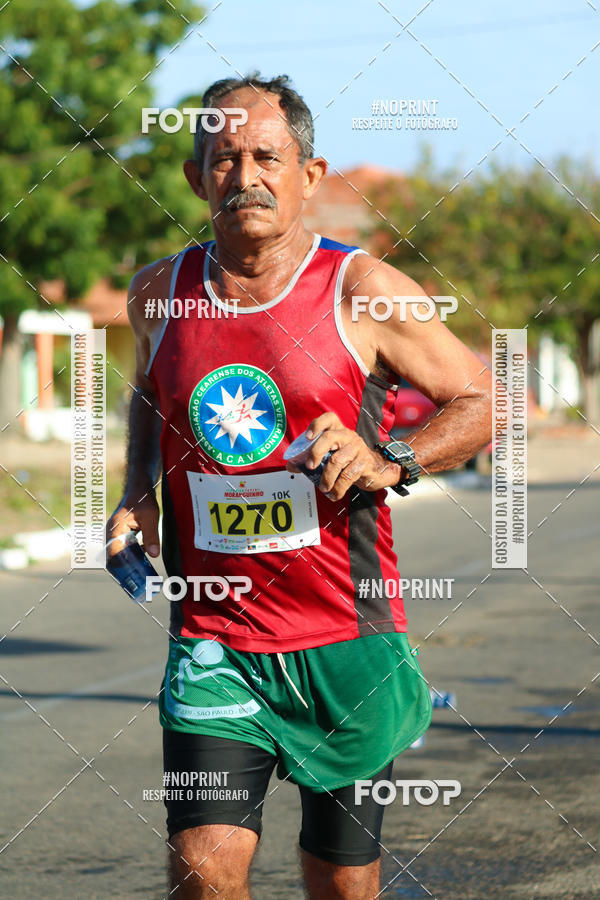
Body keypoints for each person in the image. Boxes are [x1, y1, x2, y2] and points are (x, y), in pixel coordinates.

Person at [107, 73, 492, 899]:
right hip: (214, 639)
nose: (245, 176)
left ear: (309, 176)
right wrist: (139, 489)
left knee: (340, 878)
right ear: (196, 177)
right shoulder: (159, 293)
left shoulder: (363, 291)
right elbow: (149, 393)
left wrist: (392, 459)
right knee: (203, 866)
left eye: (267, 157)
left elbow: (484, 400)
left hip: (345, 639)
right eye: (224, 158)